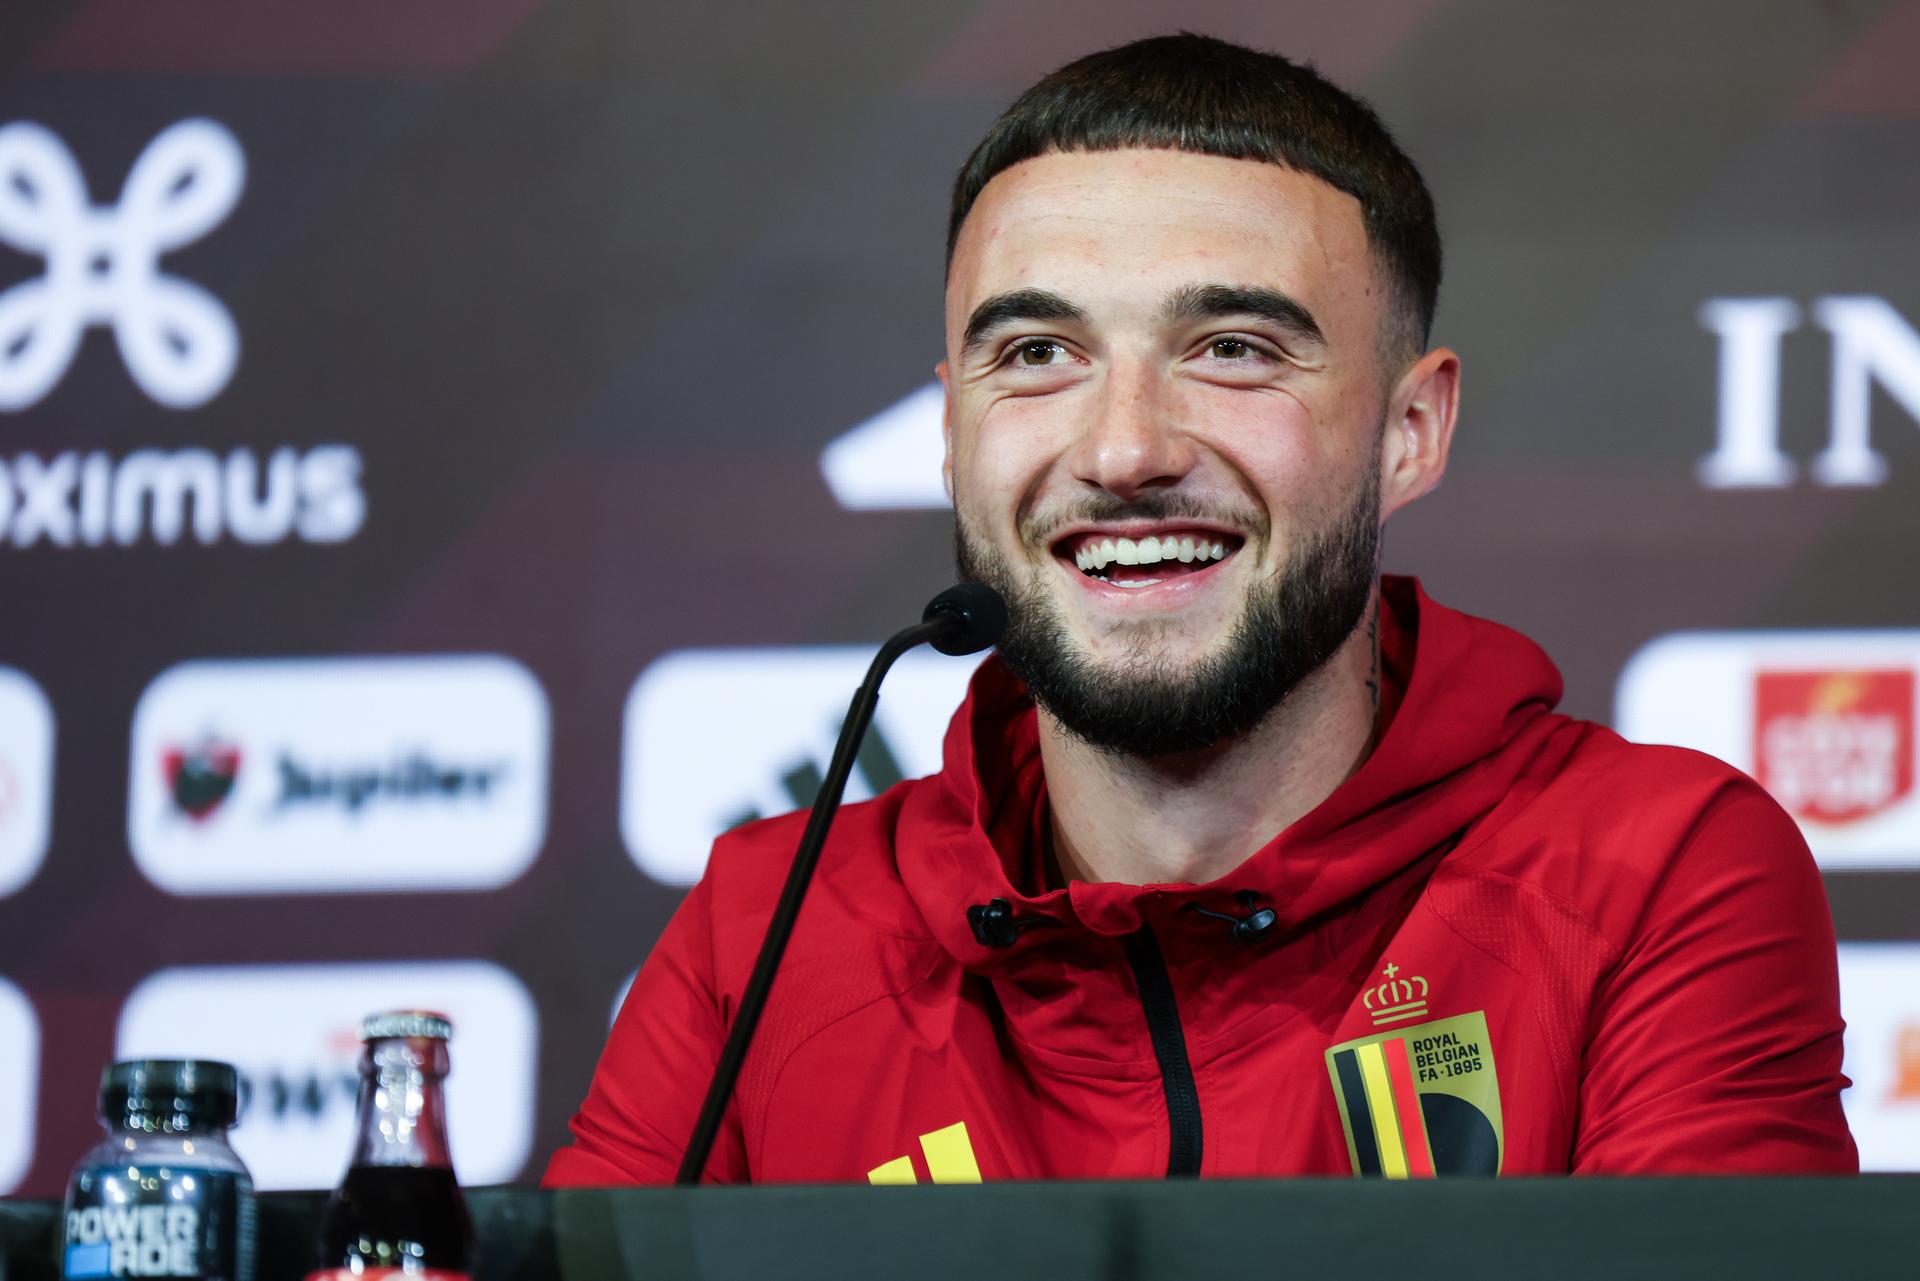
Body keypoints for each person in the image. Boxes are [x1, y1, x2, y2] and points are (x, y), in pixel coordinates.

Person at [547, 33, 1855, 1183]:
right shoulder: (770, 930)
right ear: (951, 430)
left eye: (1231, 348)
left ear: (1410, 428)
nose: (1124, 451)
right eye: (1038, 355)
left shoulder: (1652, 873)